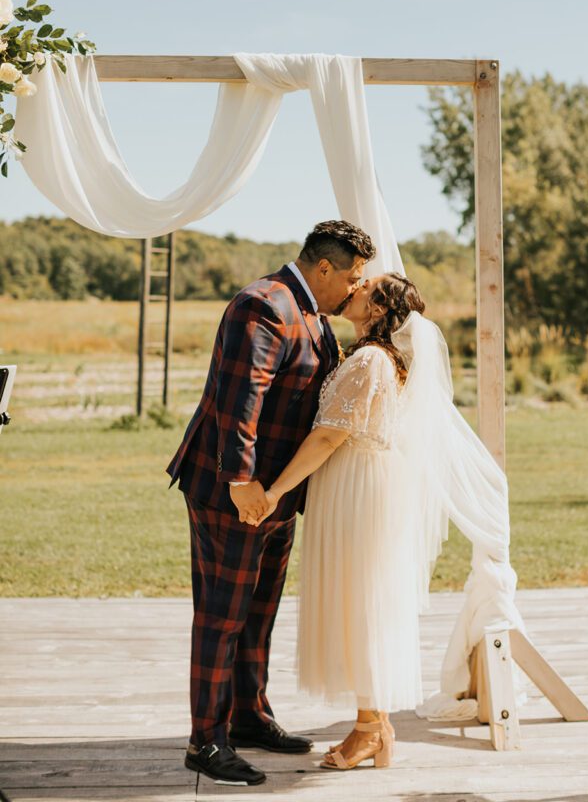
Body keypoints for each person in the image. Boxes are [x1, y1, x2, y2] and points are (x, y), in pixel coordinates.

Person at [166, 219, 375, 786]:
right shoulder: (264, 304)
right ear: (324, 268)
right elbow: (242, 398)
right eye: (354, 277)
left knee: (258, 614)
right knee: (222, 617)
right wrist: (241, 483)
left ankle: (249, 718)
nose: (357, 289)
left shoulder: (312, 314)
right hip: (234, 493)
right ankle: (204, 742)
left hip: (277, 496)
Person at [245, 272, 427, 771]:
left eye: (369, 284)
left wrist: (273, 491)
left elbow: (328, 437)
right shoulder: (371, 355)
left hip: (359, 490)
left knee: (361, 601)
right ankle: (376, 727)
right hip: (356, 484)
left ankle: (371, 729)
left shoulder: (370, 360)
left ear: (379, 308)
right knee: (360, 600)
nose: (358, 284)